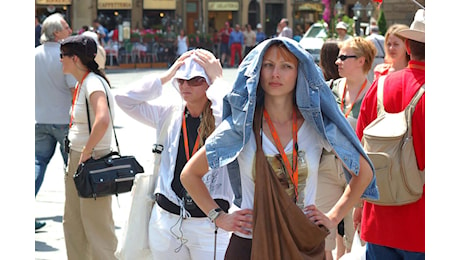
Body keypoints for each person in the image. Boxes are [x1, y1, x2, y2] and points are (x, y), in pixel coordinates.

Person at [180, 37, 378, 259]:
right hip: (250, 243)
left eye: (286, 66)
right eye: (268, 65)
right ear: (258, 70)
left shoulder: (317, 126)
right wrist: (219, 216)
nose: (276, 74)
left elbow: (364, 172)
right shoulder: (241, 126)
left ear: (299, 72)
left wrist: (333, 217)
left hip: (302, 242)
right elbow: (190, 174)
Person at [114, 49, 234, 259]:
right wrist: (167, 75)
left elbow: (232, 112)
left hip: (208, 225)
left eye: (195, 80)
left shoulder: (221, 119)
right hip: (166, 221)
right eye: (181, 80)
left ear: (209, 83)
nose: (186, 85)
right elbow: (124, 99)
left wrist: (218, 79)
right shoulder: (169, 112)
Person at [355, 9, 425, 259]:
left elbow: (357, 149)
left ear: (408, 45)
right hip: (423, 226)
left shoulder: (380, 85)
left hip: (379, 218)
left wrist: (358, 203)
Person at [60, 35, 118, 260]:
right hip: (81, 157)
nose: (60, 61)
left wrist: (86, 152)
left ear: (75, 58)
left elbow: (102, 119)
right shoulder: (84, 82)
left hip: (90, 159)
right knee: (74, 223)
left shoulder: (92, 82)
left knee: (96, 226)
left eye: (62, 56)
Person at [318, 37, 376, 260]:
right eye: (338, 56)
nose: (337, 61)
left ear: (361, 60)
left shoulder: (373, 94)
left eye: (343, 57)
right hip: (328, 165)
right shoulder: (330, 88)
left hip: (356, 172)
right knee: (321, 233)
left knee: (354, 237)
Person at [35, 13, 76, 231]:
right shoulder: (64, 55)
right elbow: (74, 89)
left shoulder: (33, 55)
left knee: (37, 164)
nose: (70, 30)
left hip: (39, 119)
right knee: (72, 167)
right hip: (63, 119)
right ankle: (76, 212)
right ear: (56, 33)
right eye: (66, 27)